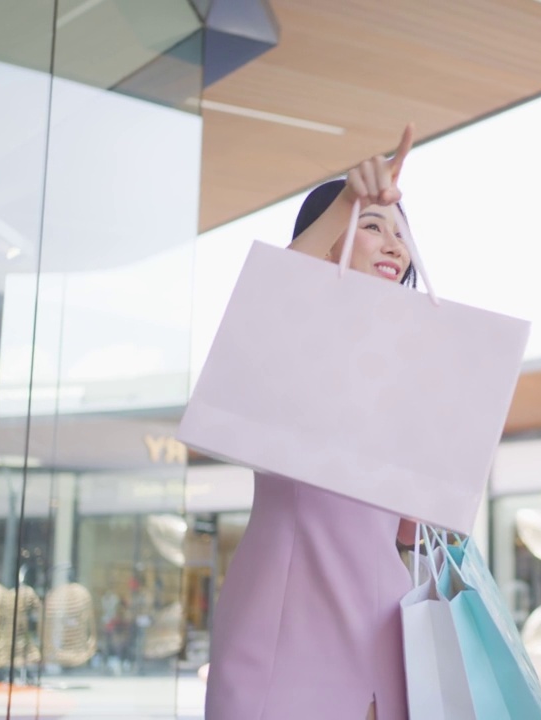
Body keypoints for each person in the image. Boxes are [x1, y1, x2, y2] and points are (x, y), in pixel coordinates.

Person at [205, 126, 419, 720]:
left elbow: (409, 531)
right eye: (373, 226)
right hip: (284, 609)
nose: (394, 244)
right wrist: (350, 199)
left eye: (400, 233)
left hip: (383, 613)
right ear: (326, 243)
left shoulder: (407, 372)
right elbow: (270, 294)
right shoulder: (284, 346)